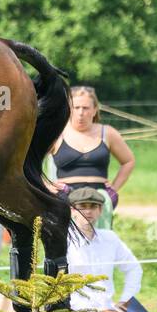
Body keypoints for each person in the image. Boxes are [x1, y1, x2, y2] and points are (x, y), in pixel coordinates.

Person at [65, 187, 146, 312]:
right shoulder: (64, 241)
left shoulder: (110, 238)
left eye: (93, 207)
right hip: (77, 311)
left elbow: (134, 268)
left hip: (108, 309)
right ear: (72, 210)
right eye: (82, 207)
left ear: (100, 210)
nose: (88, 211)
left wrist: (125, 300)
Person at [48, 86, 134, 230]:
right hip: (66, 194)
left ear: (94, 110)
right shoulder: (57, 133)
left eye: (86, 108)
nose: (81, 112)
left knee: (100, 236)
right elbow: (31, 161)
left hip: (100, 194)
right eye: (76, 107)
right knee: (70, 237)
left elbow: (128, 161)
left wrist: (114, 188)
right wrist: (46, 186)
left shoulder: (108, 133)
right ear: (69, 109)